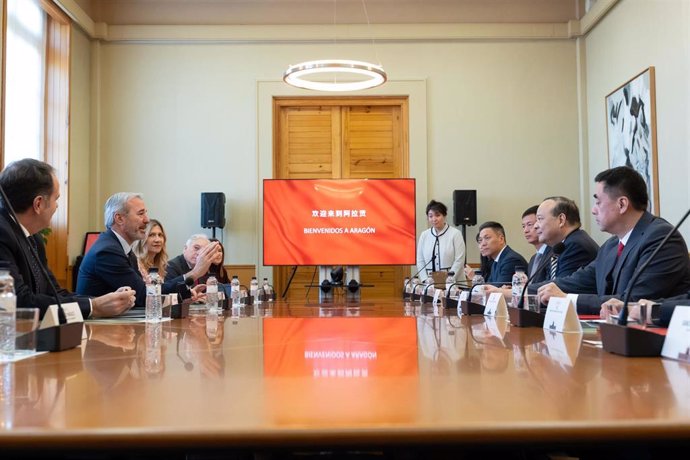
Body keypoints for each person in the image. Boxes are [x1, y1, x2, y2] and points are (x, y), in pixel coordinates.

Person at [536, 166, 690, 314]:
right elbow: (577, 281)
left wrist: (567, 299)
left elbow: (632, 302)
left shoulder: (661, 238)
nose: (593, 210)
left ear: (622, 204)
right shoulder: (611, 245)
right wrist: (522, 291)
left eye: (598, 202)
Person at [0, 159, 135, 319]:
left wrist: (101, 301)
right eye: (56, 199)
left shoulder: (34, 238)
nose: (57, 206)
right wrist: (94, 307)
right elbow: (18, 302)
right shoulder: (3, 233)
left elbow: (56, 293)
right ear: (38, 204)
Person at [76, 192, 152, 307]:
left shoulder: (124, 250)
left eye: (146, 213)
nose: (147, 220)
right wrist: (185, 278)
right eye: (141, 214)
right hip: (97, 324)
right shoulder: (108, 251)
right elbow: (142, 296)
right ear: (119, 218)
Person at [533, 196, 599, 281]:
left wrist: (521, 290)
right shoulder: (556, 247)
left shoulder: (576, 245)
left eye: (540, 219)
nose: (535, 226)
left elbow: (559, 288)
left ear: (561, 220)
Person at [416, 200, 466, 283]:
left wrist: (450, 278)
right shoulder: (424, 235)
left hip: (453, 283)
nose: (434, 219)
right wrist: (425, 279)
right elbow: (420, 260)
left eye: (437, 215)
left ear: (444, 215)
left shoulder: (455, 234)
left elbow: (459, 259)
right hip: (430, 283)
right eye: (430, 216)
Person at [522, 205, 549, 282]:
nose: (526, 230)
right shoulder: (533, 259)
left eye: (529, 225)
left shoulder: (553, 254)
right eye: (523, 226)